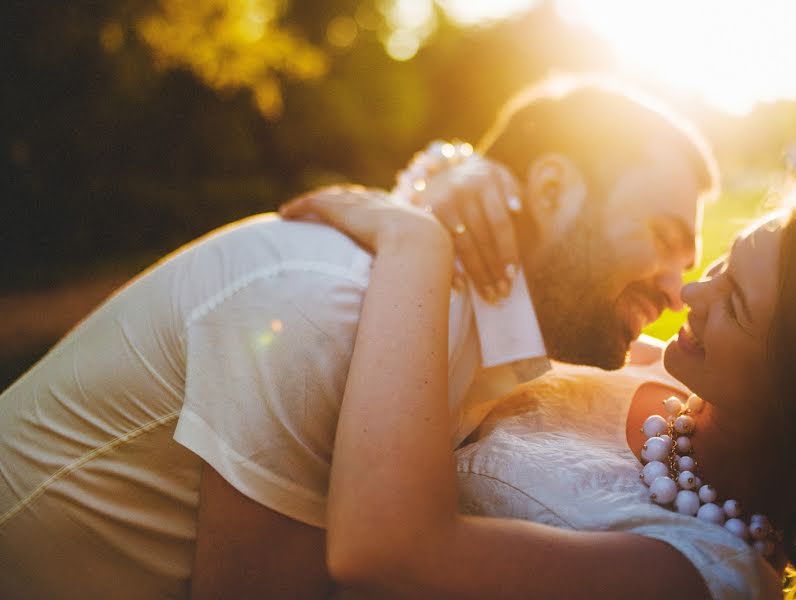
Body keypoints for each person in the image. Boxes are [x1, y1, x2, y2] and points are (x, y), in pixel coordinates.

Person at [0, 78, 716, 599]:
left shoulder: (473, 329)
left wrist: (449, 169)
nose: (674, 288)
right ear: (553, 191)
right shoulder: (328, 310)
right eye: (662, 237)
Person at [288, 174, 796, 599]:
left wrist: (414, 241)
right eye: (723, 265)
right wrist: (471, 187)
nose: (690, 294)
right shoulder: (638, 360)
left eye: (734, 303)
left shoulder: (698, 577)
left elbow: (385, 553)